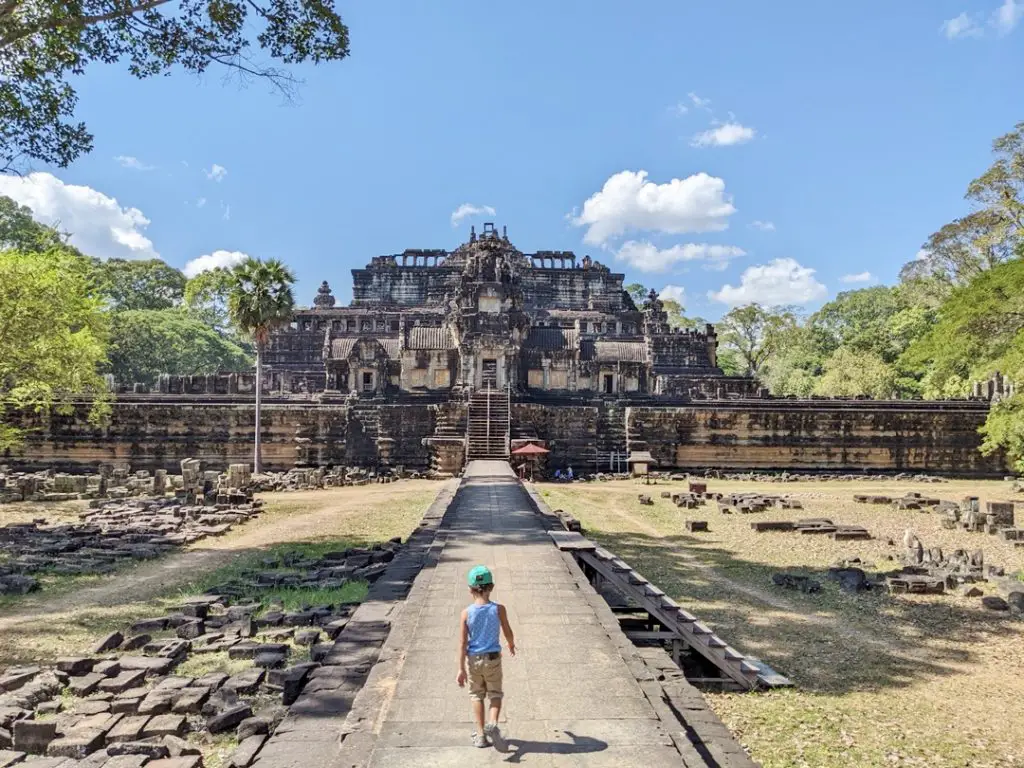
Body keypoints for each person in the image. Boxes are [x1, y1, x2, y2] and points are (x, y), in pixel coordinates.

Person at [456, 565, 516, 750]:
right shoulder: (499, 609)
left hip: (474, 659)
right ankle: (493, 724)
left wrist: (461, 669)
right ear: (492, 587)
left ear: (470, 589)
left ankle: (481, 735)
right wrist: (511, 644)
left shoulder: (466, 613)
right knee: (495, 693)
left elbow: (462, 643)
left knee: (476, 695)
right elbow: (507, 630)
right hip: (493, 659)